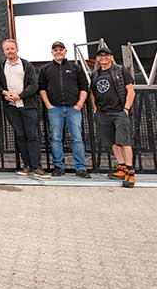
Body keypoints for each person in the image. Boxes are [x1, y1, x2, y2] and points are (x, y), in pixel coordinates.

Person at [0, 39, 49, 180]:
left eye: (12, 48)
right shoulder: (1, 66)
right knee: (20, 136)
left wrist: (19, 96)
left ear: (17, 49)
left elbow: (33, 84)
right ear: (4, 51)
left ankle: (37, 166)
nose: (10, 51)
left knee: (32, 135)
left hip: (28, 106)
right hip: (11, 107)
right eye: (7, 49)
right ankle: (27, 165)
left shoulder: (26, 65)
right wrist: (5, 93)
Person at [38, 40, 90, 178]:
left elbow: (84, 87)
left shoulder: (75, 68)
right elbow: (41, 88)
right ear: (52, 52)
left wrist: (79, 104)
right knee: (55, 138)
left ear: (65, 51)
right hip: (55, 109)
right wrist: (48, 105)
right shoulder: (45, 69)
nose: (58, 51)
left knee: (77, 138)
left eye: (61, 49)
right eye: (55, 50)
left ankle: (81, 168)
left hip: (73, 109)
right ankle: (59, 167)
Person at [90, 42, 137, 188]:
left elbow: (131, 90)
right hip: (103, 113)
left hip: (119, 111)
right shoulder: (95, 74)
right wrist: (95, 108)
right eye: (100, 56)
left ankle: (130, 172)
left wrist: (126, 109)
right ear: (97, 59)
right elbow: (92, 92)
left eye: (106, 55)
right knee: (112, 143)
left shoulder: (121, 70)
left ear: (111, 57)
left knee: (124, 142)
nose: (103, 58)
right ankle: (121, 167)